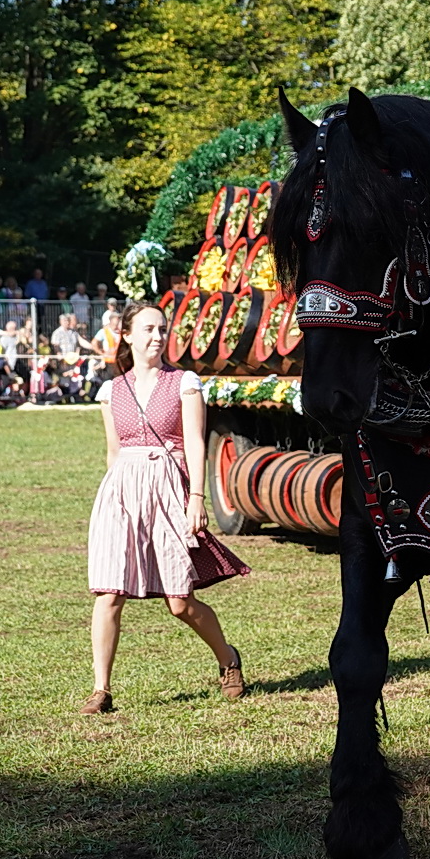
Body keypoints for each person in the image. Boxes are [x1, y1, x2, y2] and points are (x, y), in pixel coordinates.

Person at [82, 302, 250, 713]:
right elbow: (113, 451)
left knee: (180, 601)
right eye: (149, 330)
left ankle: (228, 658)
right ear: (127, 335)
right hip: (121, 492)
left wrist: (196, 499)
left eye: (162, 329)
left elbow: (195, 442)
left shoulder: (184, 383)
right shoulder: (111, 391)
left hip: (170, 488)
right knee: (108, 594)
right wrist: (113, 501)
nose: (158, 337)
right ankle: (101, 690)